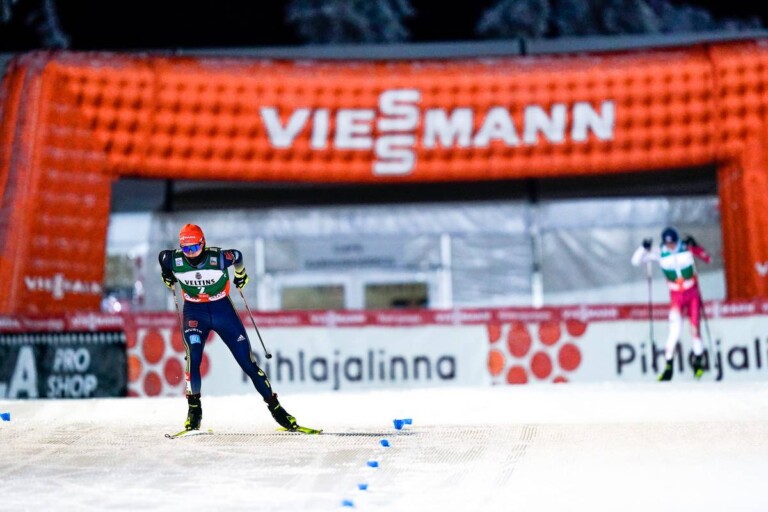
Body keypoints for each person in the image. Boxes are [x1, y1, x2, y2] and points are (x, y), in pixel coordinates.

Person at [158, 223, 300, 432]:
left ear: (203, 244)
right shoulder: (174, 259)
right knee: (193, 357)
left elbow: (238, 255)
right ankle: (194, 410)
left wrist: (240, 274)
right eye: (186, 249)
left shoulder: (218, 258)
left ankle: (276, 408)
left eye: (195, 248)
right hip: (194, 313)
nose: (191, 254)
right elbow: (162, 258)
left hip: (222, 310)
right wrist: (166, 274)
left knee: (247, 363)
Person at [631, 226, 712, 381]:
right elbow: (635, 261)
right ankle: (668, 367)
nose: (672, 247)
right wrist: (643, 248)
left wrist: (696, 246)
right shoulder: (660, 252)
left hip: (692, 294)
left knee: (695, 328)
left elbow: (708, 258)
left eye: (674, 243)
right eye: (669, 244)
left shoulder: (686, 248)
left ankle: (698, 363)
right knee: (674, 331)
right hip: (676, 297)